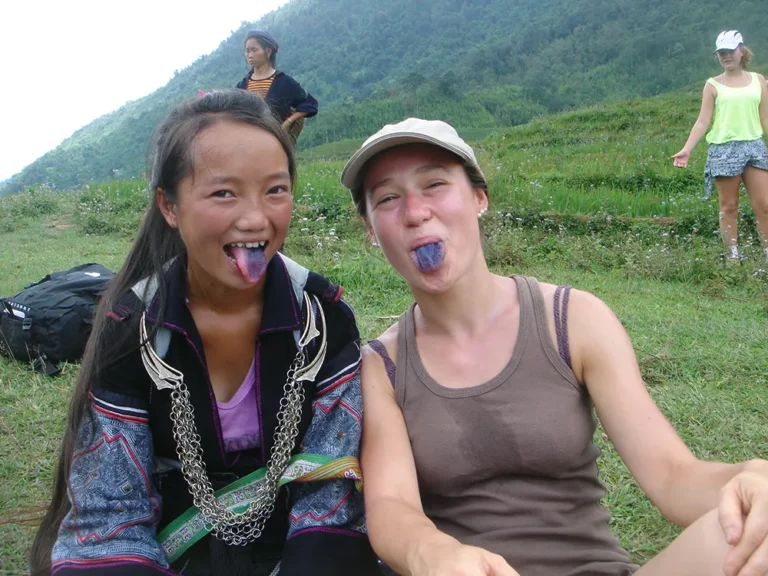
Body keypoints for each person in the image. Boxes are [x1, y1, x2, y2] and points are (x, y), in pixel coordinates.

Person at [342, 117, 768, 576]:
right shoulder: (382, 366)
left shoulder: (573, 319)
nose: (415, 211)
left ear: (479, 198)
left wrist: (744, 478)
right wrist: (435, 553)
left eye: (435, 184)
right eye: (387, 198)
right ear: (370, 228)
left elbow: (672, 476)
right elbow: (392, 505)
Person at [30, 89, 378, 576]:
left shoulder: (324, 320)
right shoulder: (132, 331)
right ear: (169, 207)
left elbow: (330, 494)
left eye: (275, 190)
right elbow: (111, 514)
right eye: (224, 193)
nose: (256, 219)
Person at [673, 30, 768, 263]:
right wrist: (687, 149)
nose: (726, 56)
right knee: (729, 206)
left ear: (741, 51)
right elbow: (703, 120)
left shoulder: (758, 80)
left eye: (730, 51)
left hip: (754, 146)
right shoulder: (713, 84)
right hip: (723, 150)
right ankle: (733, 257)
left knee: (764, 205)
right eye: (721, 53)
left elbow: (765, 118)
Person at [236, 30, 318, 143]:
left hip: (275, 144)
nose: (250, 55)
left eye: (254, 50)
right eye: (247, 51)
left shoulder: (284, 82)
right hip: (248, 145)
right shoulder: (242, 85)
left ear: (268, 52)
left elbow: (310, 104)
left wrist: (287, 123)